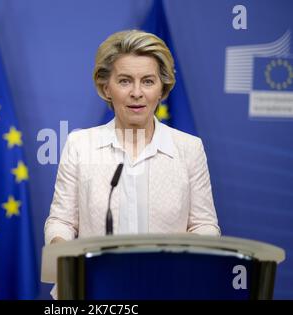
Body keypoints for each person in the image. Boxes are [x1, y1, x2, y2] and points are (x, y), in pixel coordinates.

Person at [45, 29, 220, 248]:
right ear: (106, 88)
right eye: (125, 81)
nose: (137, 93)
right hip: (94, 279)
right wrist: (60, 247)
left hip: (166, 277)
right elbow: (62, 221)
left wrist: (178, 251)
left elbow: (205, 225)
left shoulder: (189, 148)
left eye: (147, 82)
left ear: (161, 89)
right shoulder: (80, 145)